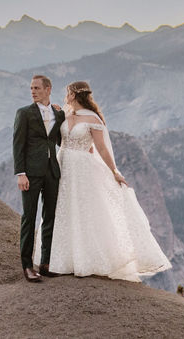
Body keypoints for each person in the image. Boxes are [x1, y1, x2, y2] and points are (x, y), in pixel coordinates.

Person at [45, 81, 171, 281]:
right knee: (63, 208)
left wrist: (114, 171)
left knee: (83, 209)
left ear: (74, 95)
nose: (65, 95)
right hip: (63, 164)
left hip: (81, 168)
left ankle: (85, 259)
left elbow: (101, 148)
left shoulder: (93, 117)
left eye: (68, 92)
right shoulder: (65, 114)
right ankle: (61, 259)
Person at [12, 75, 65, 282]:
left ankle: (45, 263)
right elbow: (18, 144)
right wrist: (21, 173)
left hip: (52, 172)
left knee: (49, 217)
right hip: (30, 174)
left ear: (48, 89)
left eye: (36, 88)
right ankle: (27, 266)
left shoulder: (58, 114)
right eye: (31, 88)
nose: (32, 91)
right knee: (29, 217)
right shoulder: (24, 113)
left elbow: (60, 139)